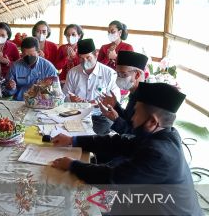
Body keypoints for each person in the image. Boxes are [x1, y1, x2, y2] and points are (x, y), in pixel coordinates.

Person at [51, 82, 202, 215]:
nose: (131, 118)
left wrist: (72, 165)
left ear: (152, 122)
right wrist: (73, 139)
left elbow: (112, 179)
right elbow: (117, 143)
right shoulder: (164, 134)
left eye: (136, 113)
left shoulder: (159, 153)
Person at [99, 51, 148, 134]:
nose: (119, 78)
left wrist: (116, 119)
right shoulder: (134, 93)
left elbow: (134, 135)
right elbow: (128, 118)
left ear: (137, 75)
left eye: (123, 74)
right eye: (117, 74)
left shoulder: (146, 100)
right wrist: (115, 105)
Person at [62, 39, 120, 103]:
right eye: (81, 58)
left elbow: (115, 99)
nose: (85, 61)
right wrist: (71, 99)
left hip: (101, 112)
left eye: (88, 57)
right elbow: (65, 95)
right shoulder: (72, 73)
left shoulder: (110, 73)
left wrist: (100, 103)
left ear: (95, 55)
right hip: (77, 110)